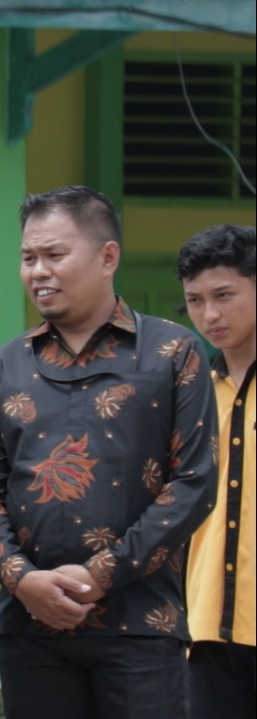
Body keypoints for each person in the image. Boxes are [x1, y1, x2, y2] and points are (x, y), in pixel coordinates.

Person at [0, 186, 218, 719]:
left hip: (140, 625)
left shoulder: (173, 352)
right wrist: (23, 580)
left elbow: (193, 484)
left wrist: (99, 574)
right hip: (30, 629)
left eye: (54, 255)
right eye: (28, 258)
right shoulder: (6, 366)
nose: (38, 272)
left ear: (108, 257)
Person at [176, 225, 255, 719]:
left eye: (224, 295)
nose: (210, 315)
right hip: (207, 632)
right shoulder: (193, 394)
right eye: (195, 300)